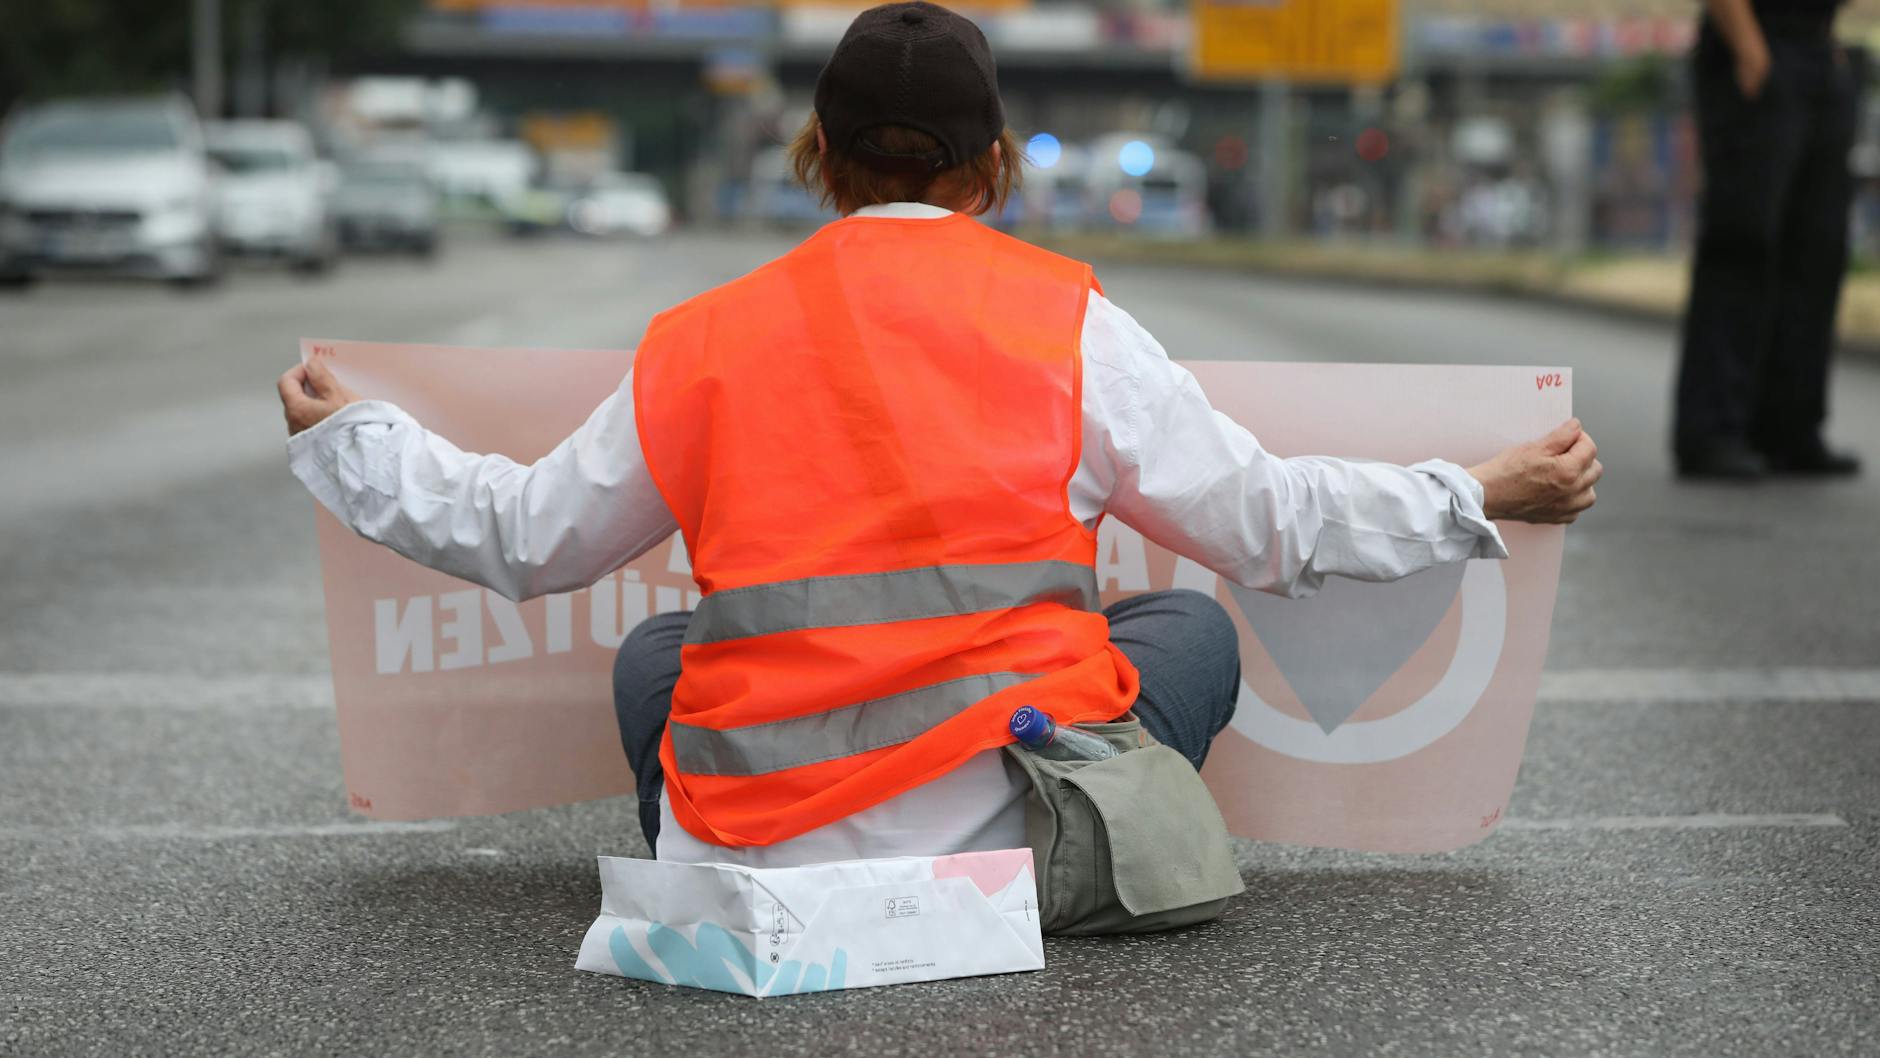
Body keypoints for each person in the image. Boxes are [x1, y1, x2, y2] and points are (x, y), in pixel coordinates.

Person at [278, 3, 1599, 880]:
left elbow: (524, 538)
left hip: (755, 840)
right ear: (996, 168)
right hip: (1019, 834)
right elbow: (1272, 526)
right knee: (1185, 632)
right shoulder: (1069, 324)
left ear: (822, 160)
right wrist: (1479, 490)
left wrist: (354, 442)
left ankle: (721, 841)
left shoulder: (703, 335)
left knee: (654, 659)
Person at [1675, 0, 1862, 478]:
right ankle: (1712, 432)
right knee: (1742, 242)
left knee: (1818, 247)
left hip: (1816, 45)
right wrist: (1749, 46)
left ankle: (1790, 428)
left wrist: (1825, 39)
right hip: (1758, 39)